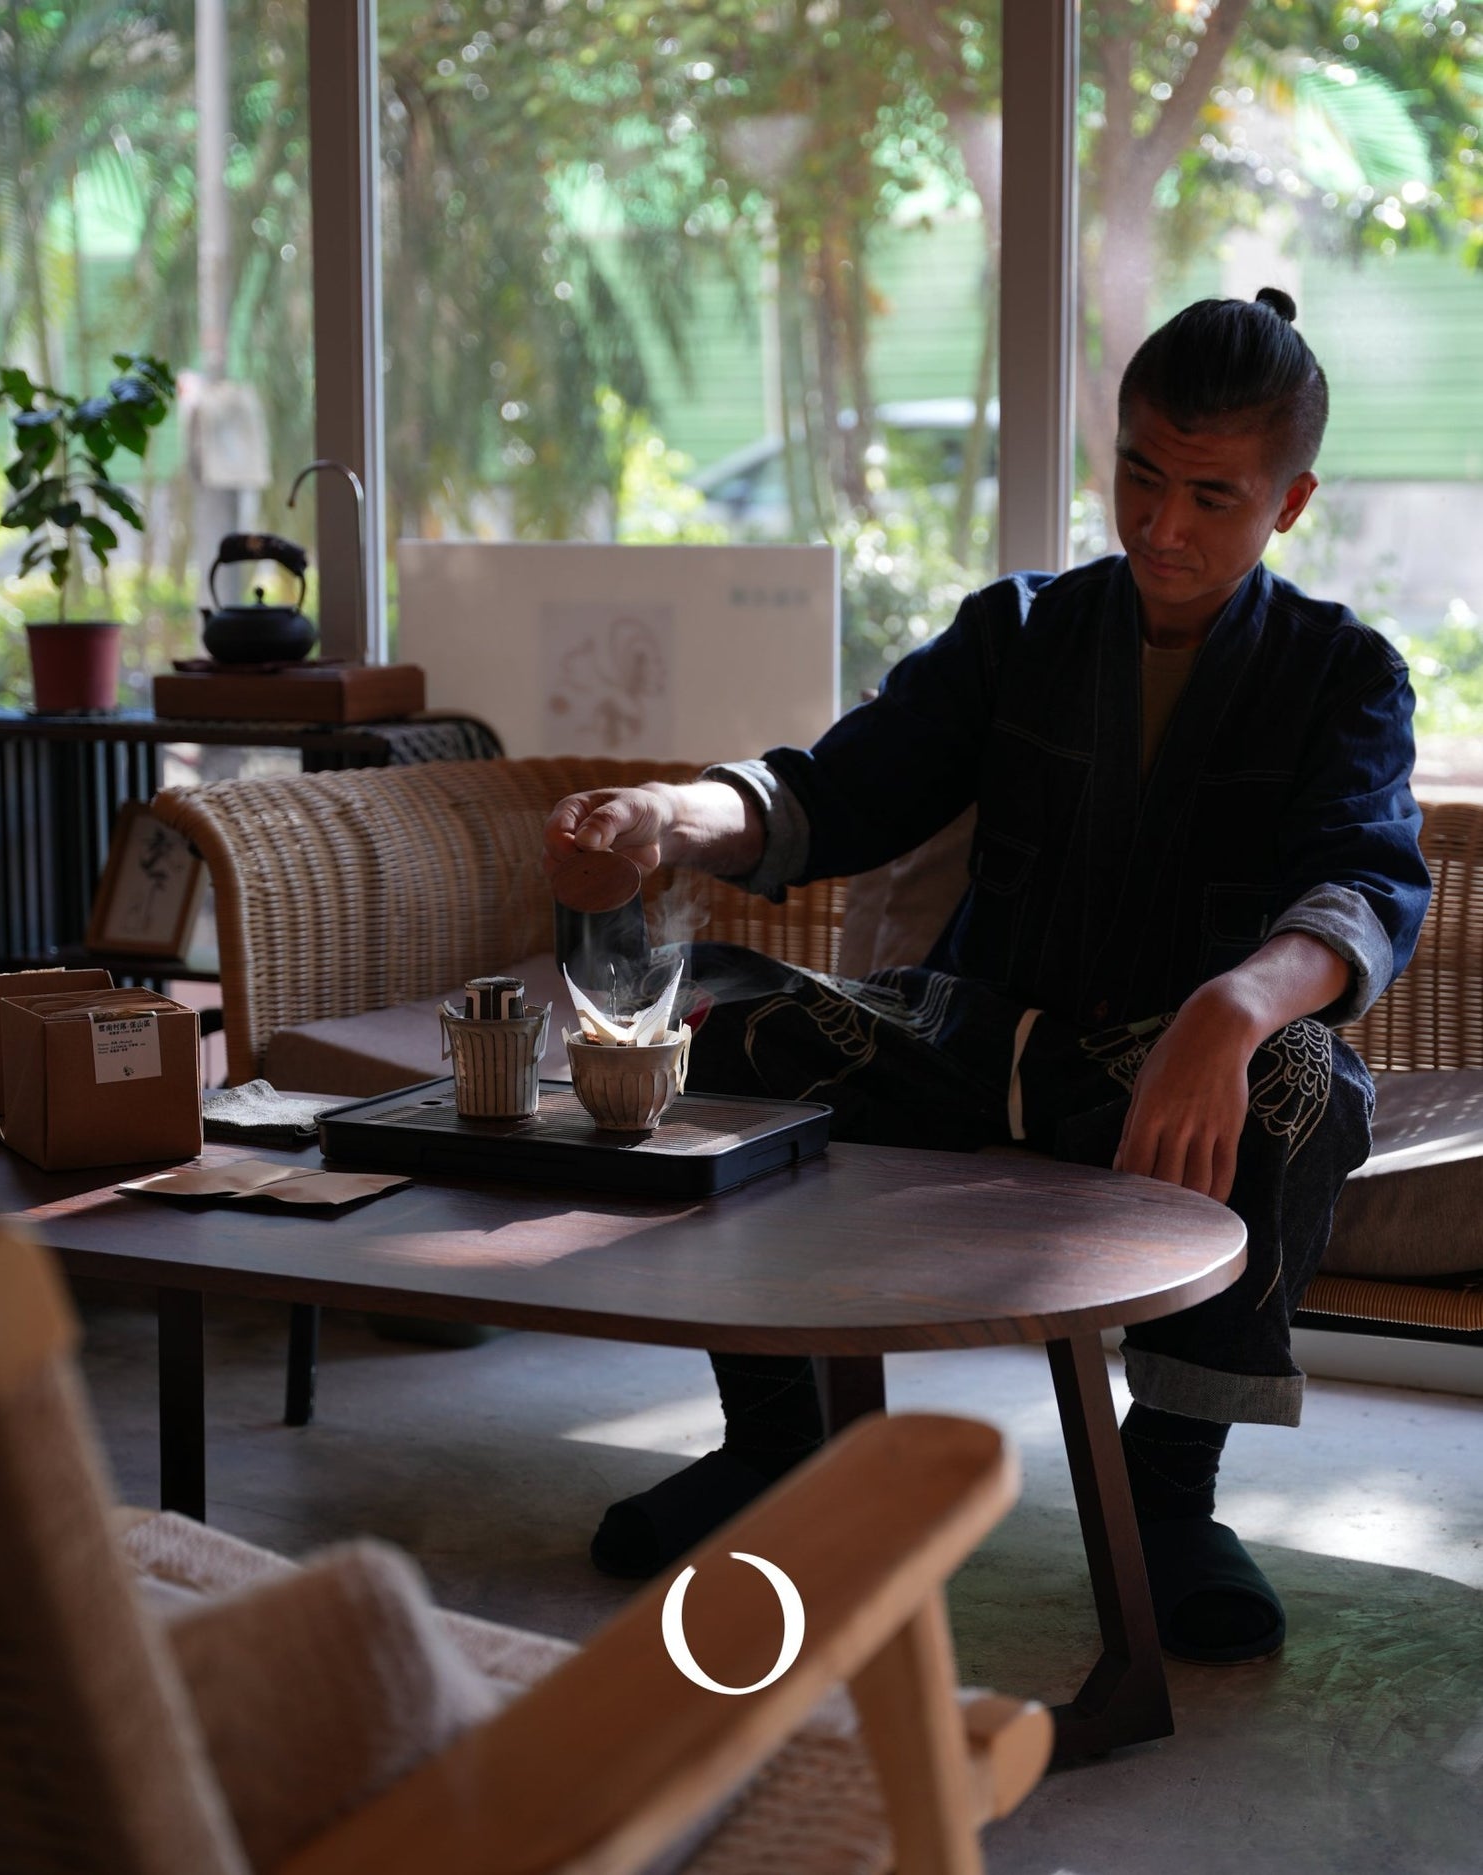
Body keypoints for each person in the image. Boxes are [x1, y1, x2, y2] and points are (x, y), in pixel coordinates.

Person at [542, 288, 1431, 1664]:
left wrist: (1231, 1006)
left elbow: (1364, 883)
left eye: (1213, 495)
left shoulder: (1345, 676)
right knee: (714, 1014)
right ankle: (781, 1446)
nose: (1163, 527)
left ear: (1292, 501)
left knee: (1305, 1080)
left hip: (1148, 1082)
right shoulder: (1018, 633)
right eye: (1140, 474)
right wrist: (673, 812)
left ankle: (1166, 1499)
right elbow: (834, 794)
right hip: (963, 1039)